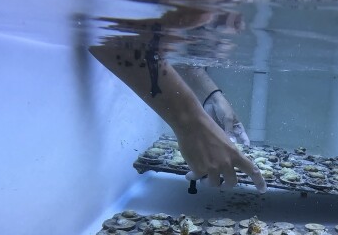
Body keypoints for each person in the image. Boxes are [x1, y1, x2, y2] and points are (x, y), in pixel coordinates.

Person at [89, 44, 266, 193]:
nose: (239, 25)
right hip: (100, 140)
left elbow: (164, 53)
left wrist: (214, 97)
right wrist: (191, 122)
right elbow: (116, 41)